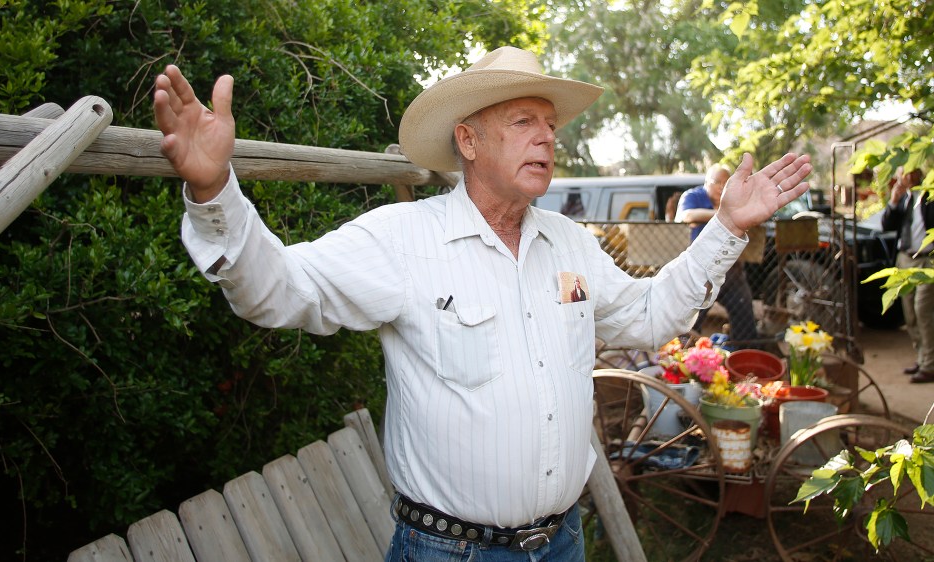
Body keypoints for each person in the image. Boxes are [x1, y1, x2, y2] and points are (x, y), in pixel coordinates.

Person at [153, 46, 811, 560]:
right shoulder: (402, 240)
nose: (548, 138)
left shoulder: (570, 247)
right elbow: (278, 290)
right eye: (524, 122)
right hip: (450, 553)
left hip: (562, 544)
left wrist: (725, 228)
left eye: (551, 126)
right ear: (468, 142)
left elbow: (647, 316)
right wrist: (215, 194)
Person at [676, 164, 759, 345]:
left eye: (726, 182)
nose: (722, 186)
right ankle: (683, 359)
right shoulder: (693, 196)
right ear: (706, 182)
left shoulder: (734, 199)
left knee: (744, 314)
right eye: (717, 182)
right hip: (701, 270)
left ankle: (741, 356)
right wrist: (722, 215)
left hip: (732, 269)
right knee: (690, 320)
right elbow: (686, 216)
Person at [880, 167, 934, 383]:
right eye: (904, 173)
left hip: (927, 260)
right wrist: (893, 200)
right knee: (909, 312)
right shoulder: (904, 199)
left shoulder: (929, 195)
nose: (907, 177)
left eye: (911, 172)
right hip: (904, 258)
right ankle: (922, 358)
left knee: (923, 310)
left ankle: (930, 364)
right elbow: (887, 225)